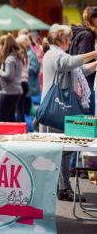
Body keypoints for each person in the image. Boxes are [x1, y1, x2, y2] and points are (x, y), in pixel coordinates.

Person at [41, 24, 97, 201]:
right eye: (69, 38)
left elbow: (79, 70)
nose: (71, 41)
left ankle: (63, 187)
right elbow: (69, 63)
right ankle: (62, 187)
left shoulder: (59, 54)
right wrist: (95, 54)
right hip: (56, 111)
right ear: (61, 39)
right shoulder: (54, 54)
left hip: (60, 110)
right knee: (61, 151)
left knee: (65, 151)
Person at [69, 6, 97, 114]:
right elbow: (82, 60)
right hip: (85, 84)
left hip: (81, 83)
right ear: (93, 19)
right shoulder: (87, 36)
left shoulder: (82, 34)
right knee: (88, 121)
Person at [0, 34, 23, 122]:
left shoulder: (10, 59)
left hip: (8, 92)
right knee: (11, 118)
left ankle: (4, 135)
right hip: (16, 91)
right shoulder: (16, 57)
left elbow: (9, 75)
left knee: (3, 119)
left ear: (4, 46)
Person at [16, 34, 40, 117]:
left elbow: (34, 69)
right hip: (28, 85)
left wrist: (23, 69)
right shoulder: (28, 53)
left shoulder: (30, 54)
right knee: (26, 108)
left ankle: (31, 125)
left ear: (23, 44)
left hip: (29, 85)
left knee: (26, 109)